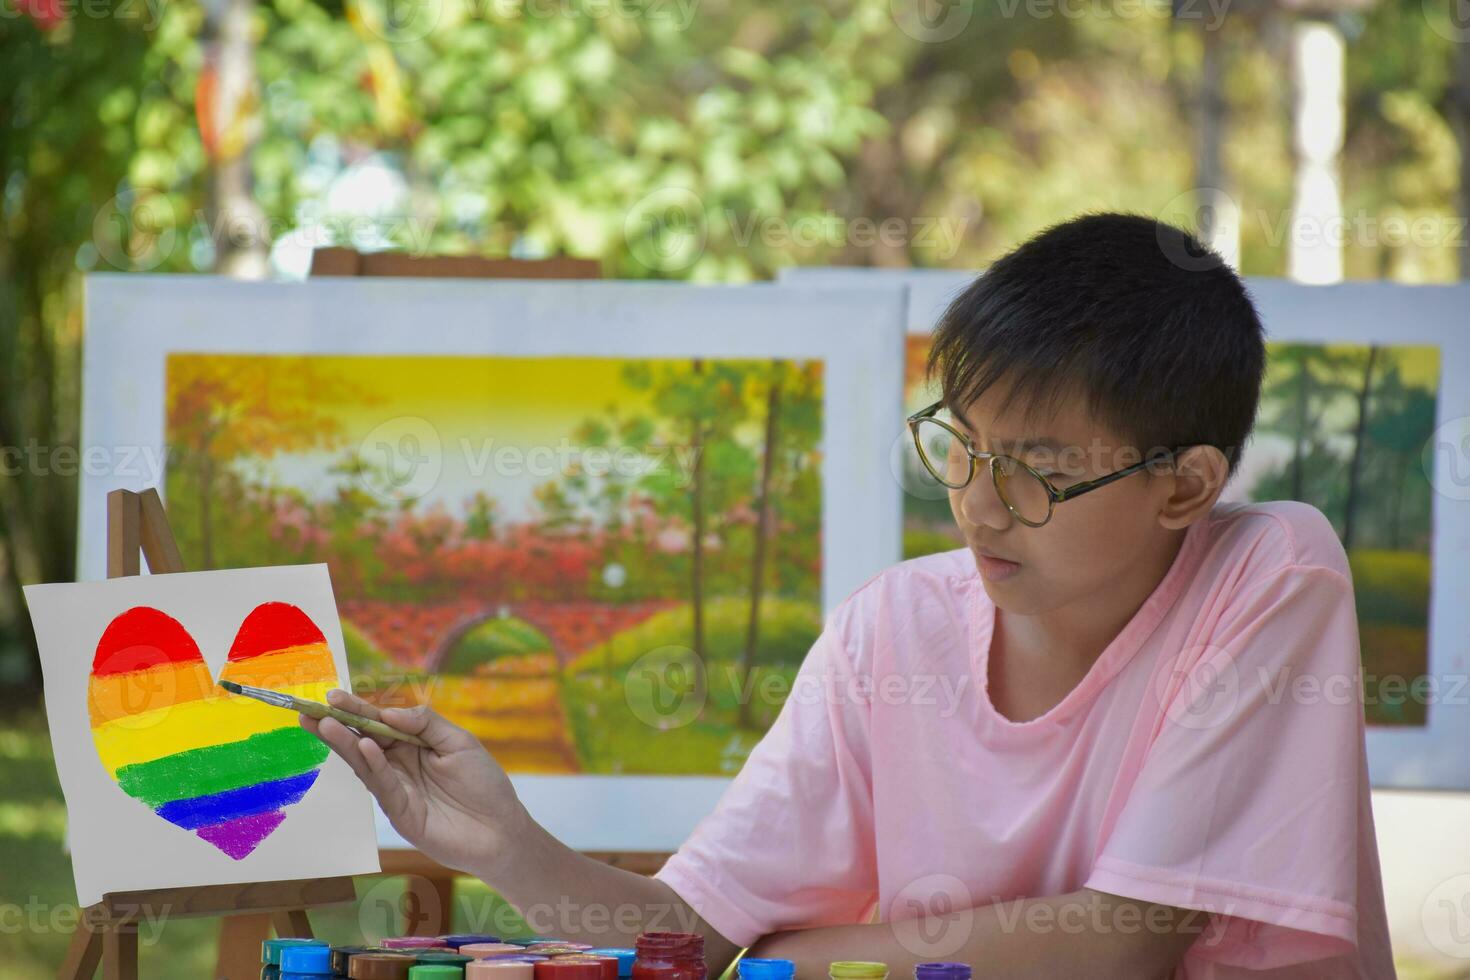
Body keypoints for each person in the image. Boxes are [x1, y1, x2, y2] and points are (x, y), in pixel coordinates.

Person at [304, 212, 1394, 979]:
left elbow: (1119, 941)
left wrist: (798, 957)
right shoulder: (896, 627)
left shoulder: (1272, 568)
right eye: (961, 448)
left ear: (1187, 485)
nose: (979, 503)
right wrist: (508, 844)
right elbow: (691, 938)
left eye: (1041, 468)